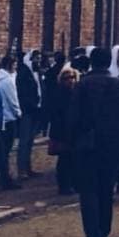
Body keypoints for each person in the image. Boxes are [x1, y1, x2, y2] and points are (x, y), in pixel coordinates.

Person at [69, 45, 119, 237]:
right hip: (112, 144)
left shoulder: (82, 85)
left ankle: (93, 235)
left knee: (88, 190)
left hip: (87, 144)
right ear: (109, 62)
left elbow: (73, 117)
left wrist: (74, 139)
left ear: (91, 62)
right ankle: (104, 230)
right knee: (106, 188)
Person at [47, 65, 80, 196]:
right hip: (62, 131)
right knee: (65, 160)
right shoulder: (58, 93)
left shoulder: (76, 92)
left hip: (73, 130)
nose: (70, 80)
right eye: (67, 78)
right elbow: (56, 115)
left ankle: (73, 183)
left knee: (73, 159)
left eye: (72, 77)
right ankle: (64, 186)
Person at [0, 56, 21, 189]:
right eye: (14, 65)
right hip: (9, 119)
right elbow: (13, 100)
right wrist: (18, 113)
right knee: (5, 150)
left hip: (0, 119)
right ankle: (6, 179)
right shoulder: (8, 81)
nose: (15, 67)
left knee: (0, 149)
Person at [15, 50, 42, 180]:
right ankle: (22, 170)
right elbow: (22, 93)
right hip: (27, 111)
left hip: (36, 110)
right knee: (24, 141)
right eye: (36, 58)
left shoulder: (37, 73)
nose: (38, 61)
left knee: (30, 140)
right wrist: (30, 105)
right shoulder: (24, 73)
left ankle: (28, 167)